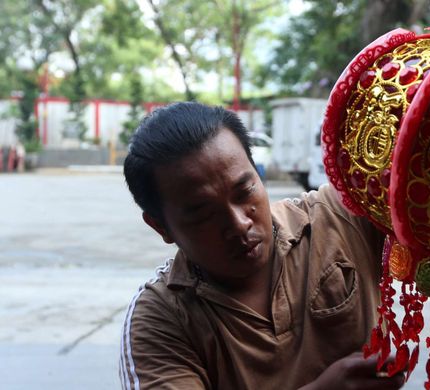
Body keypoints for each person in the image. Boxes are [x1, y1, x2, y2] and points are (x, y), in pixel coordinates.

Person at [119, 102, 402, 389]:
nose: (239, 223)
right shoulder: (160, 319)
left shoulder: (340, 216)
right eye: (204, 214)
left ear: (258, 174)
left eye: (245, 191)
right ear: (161, 226)